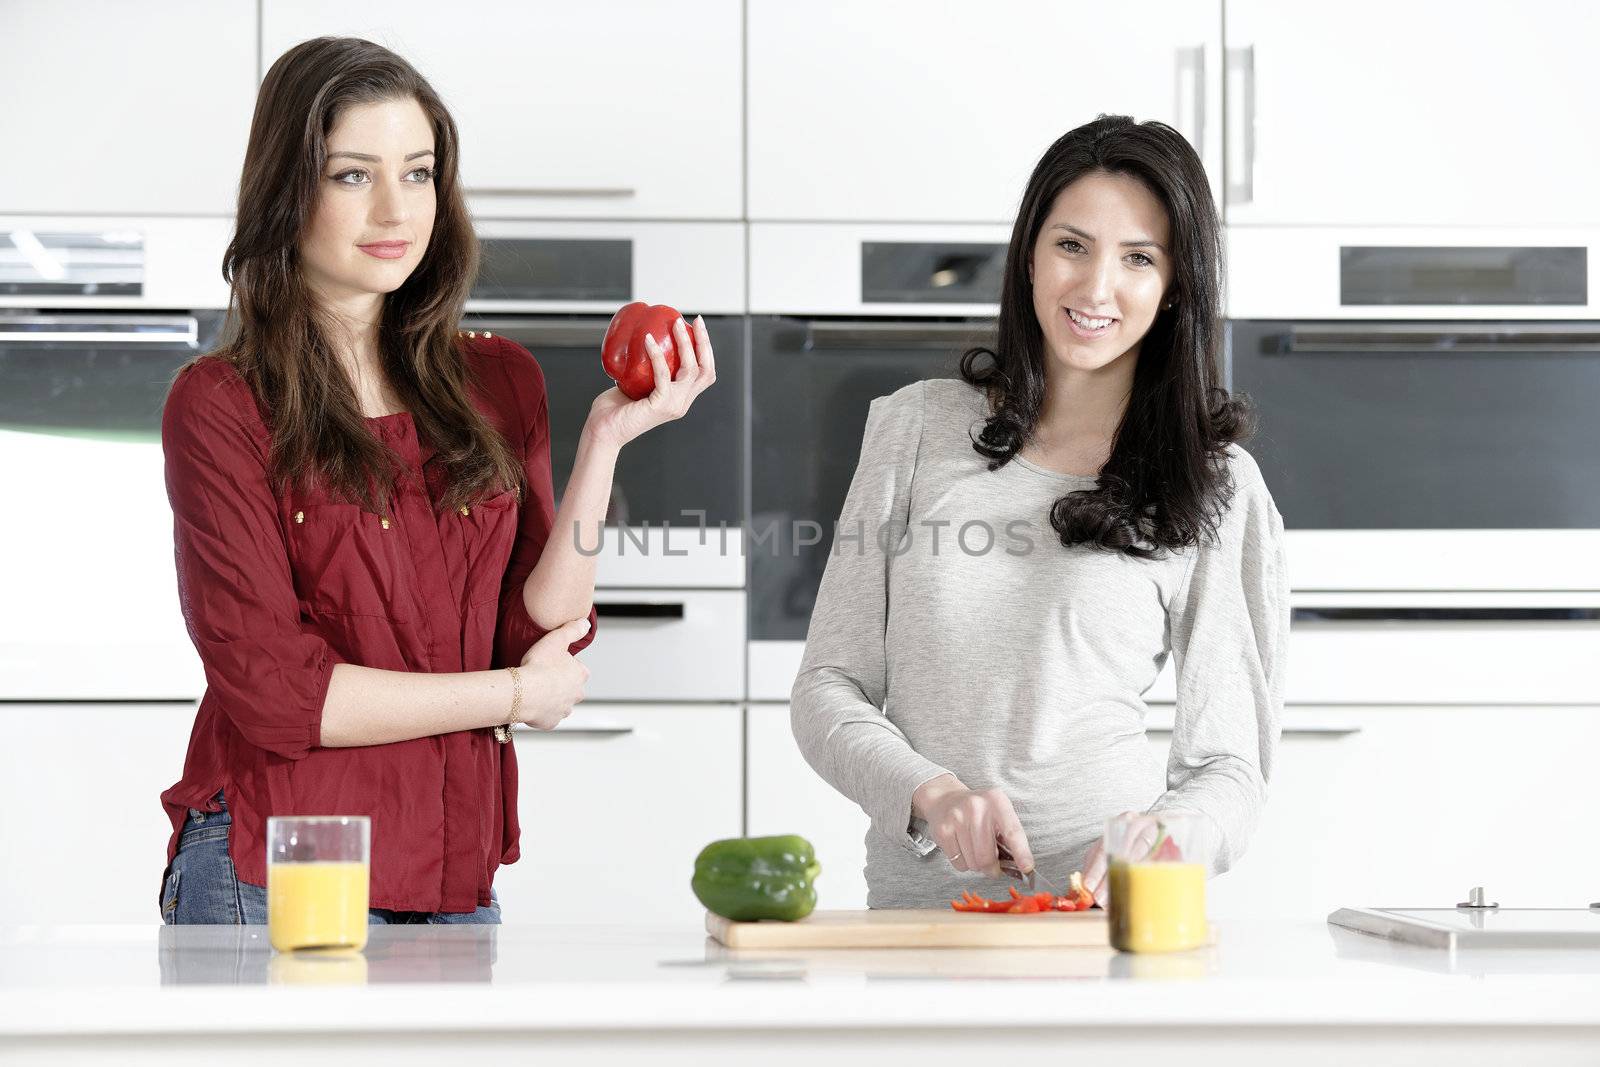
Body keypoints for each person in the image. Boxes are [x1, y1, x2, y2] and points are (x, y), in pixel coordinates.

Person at [158, 37, 715, 924]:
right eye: (351, 175)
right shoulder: (223, 403)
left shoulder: (497, 382)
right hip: (281, 867)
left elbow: (531, 624)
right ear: (287, 188)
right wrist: (513, 697)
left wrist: (608, 442)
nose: (395, 208)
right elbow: (275, 689)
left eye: (418, 174)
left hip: (454, 869)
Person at [790, 115, 1287, 909]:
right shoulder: (914, 429)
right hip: (918, 929)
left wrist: (1152, 846)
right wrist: (933, 794)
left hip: (1102, 927)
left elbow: (1231, 766)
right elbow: (828, 687)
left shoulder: (1216, 483)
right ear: (1029, 256)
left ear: (1174, 288)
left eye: (1137, 258)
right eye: (1071, 245)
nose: (1095, 288)